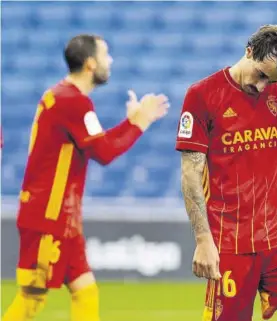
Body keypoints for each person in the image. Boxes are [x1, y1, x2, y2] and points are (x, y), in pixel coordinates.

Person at [175, 25, 277, 321]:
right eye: (261, 74)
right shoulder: (202, 95)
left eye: (271, 80)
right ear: (249, 50)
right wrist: (203, 240)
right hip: (231, 242)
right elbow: (190, 174)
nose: (263, 86)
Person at [2, 34, 169, 321]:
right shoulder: (74, 103)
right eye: (106, 54)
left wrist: (131, 123)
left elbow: (96, 144)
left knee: (85, 291)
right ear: (91, 64)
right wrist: (140, 122)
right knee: (31, 299)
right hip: (48, 218)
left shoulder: (61, 96)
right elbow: (104, 152)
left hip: (61, 218)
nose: (111, 60)